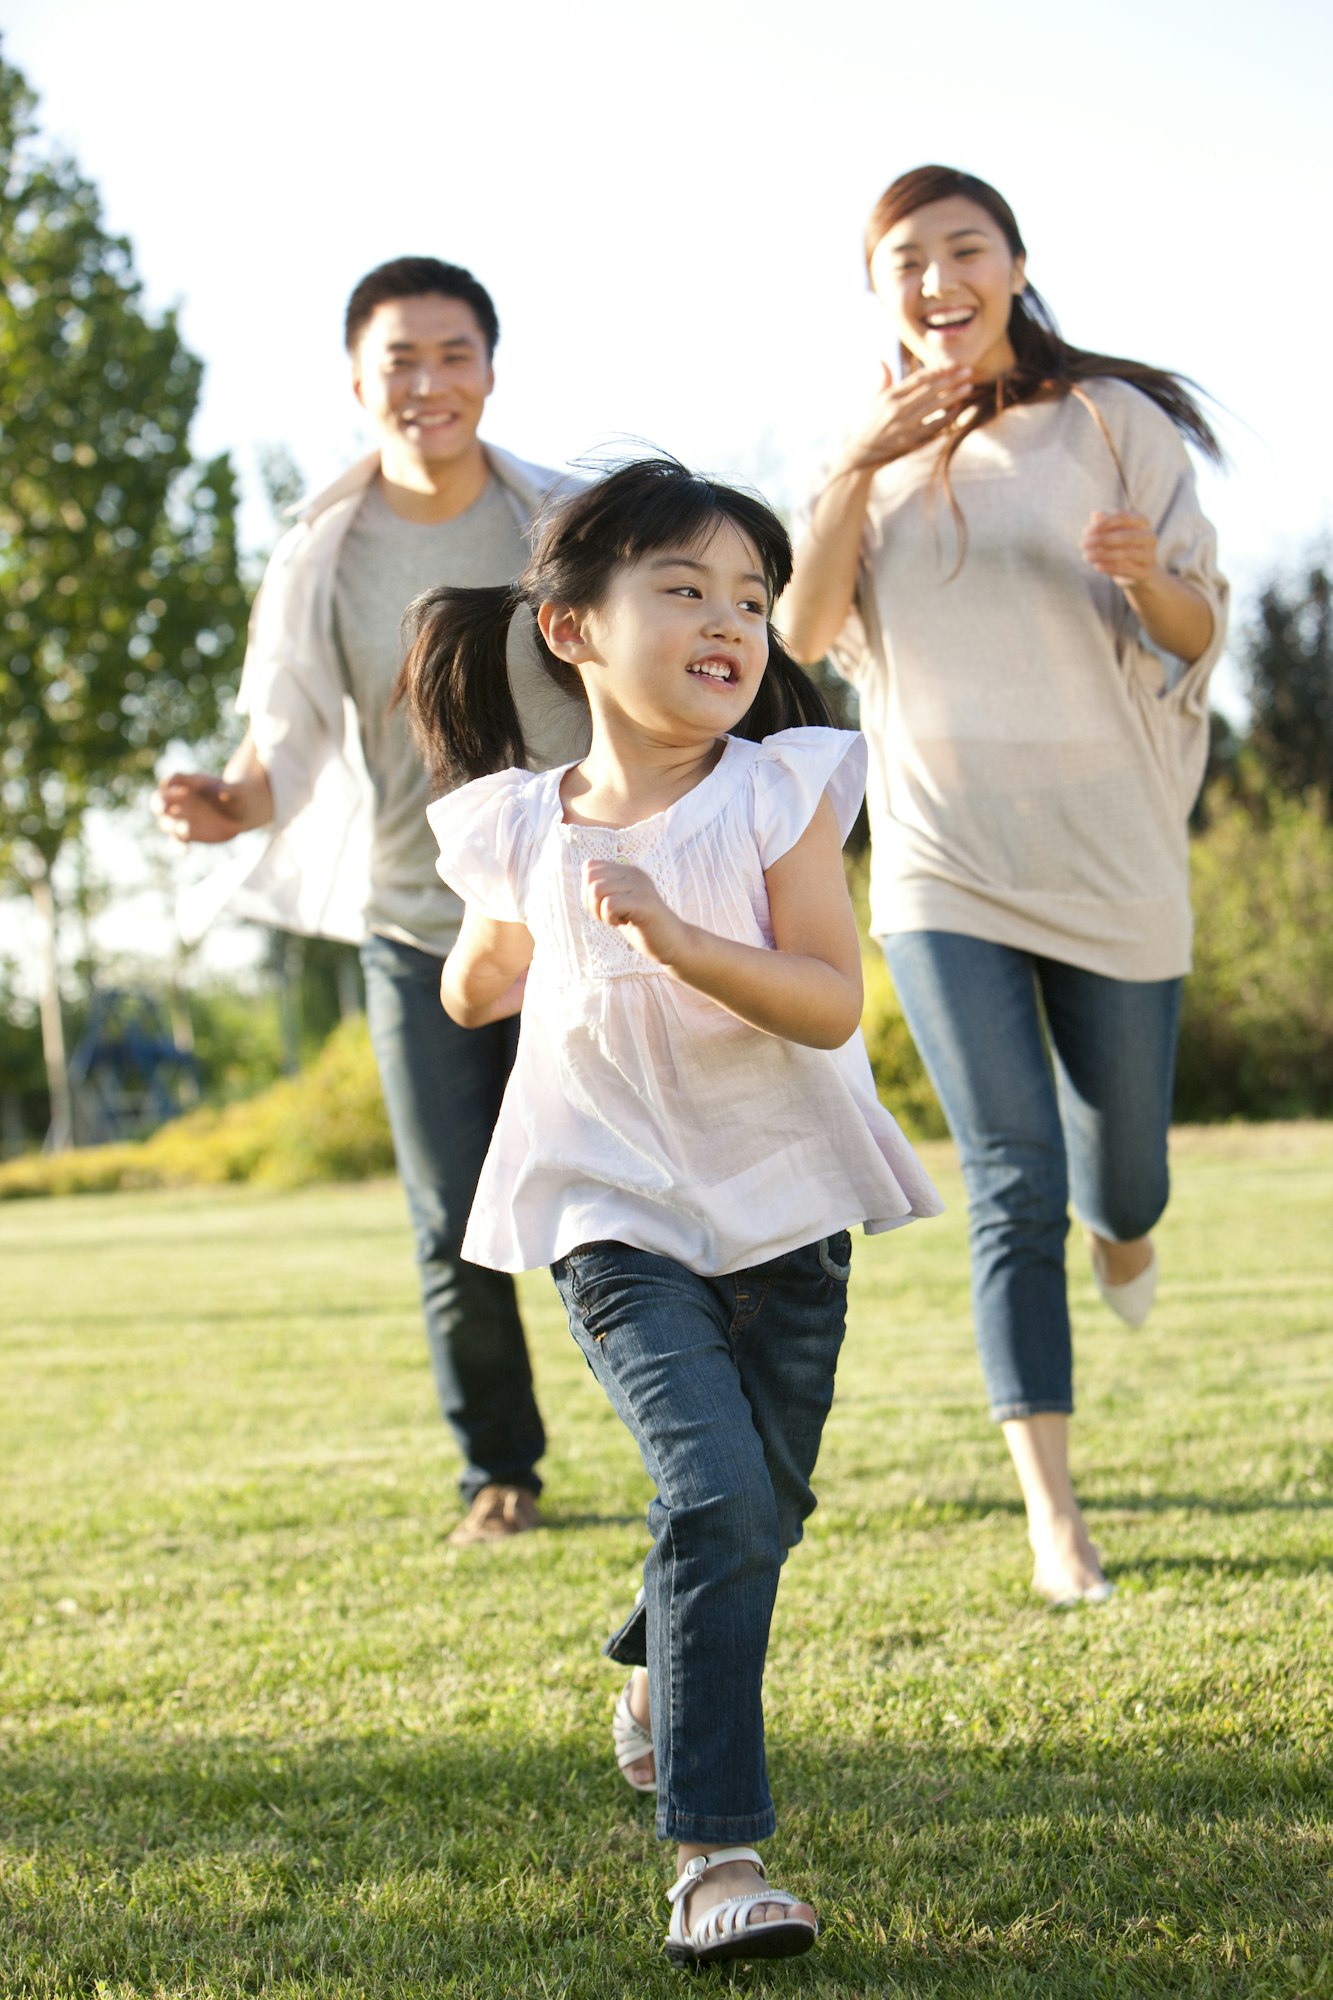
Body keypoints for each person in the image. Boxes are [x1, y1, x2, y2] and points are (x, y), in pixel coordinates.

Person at [396, 458, 942, 1966]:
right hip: (609, 1209)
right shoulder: (517, 821)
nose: (730, 621)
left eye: (752, 599)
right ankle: (715, 1855)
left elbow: (828, 1005)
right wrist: (483, 974)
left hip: (781, 1210)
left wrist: (684, 940)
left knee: (763, 1508)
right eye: (684, 589)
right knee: (715, 1496)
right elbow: (478, 973)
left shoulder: (778, 788)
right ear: (573, 630)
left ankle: (653, 1671)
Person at [781, 165, 1228, 1610]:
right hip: (939, 862)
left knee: (1120, 1173)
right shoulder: (855, 455)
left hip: (1109, 853)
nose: (935, 279)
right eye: (903, 261)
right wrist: (852, 466)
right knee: (1009, 1180)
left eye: (960, 248)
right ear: (878, 293)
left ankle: (1131, 1218)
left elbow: (1191, 625)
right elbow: (798, 631)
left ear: (1014, 262)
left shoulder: (1112, 421)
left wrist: (1143, 571)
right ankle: (1054, 1515)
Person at [158, 257, 589, 1546]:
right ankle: (498, 1473)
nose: (428, 382)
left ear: (491, 370)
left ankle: (711, 1442)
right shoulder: (320, 554)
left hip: (586, 906)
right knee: (457, 1219)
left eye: (452, 353)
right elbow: (280, 743)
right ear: (358, 382)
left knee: (639, 1189)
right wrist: (225, 804)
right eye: (399, 360)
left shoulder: (569, 523)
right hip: (418, 923)